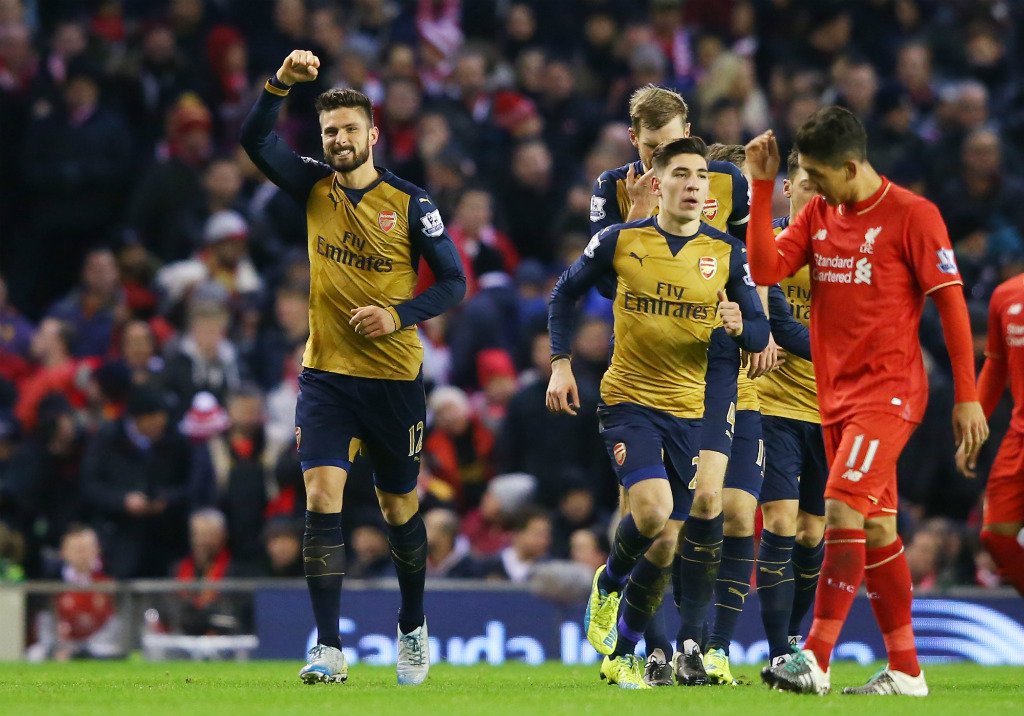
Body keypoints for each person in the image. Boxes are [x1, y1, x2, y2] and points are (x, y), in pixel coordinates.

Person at [240, 49, 466, 686]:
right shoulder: (314, 186)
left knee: (398, 506)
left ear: (373, 134)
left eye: (348, 129)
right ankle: (329, 649)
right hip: (327, 375)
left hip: (393, 380)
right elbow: (255, 139)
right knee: (320, 493)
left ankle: (412, 626)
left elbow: (453, 281)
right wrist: (280, 84)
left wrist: (397, 315)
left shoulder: (411, 202)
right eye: (328, 131)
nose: (338, 140)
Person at [745, 107, 988, 696]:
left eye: (818, 175)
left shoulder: (913, 215)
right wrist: (760, 186)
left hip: (889, 392)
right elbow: (765, 267)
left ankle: (815, 658)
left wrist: (968, 395)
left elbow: (952, 305)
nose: (810, 186)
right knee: (877, 530)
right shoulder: (820, 213)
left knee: (839, 508)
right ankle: (907, 670)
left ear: (851, 167)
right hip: (835, 397)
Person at [548, 136, 769, 689]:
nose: (693, 185)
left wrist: (743, 326)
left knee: (669, 540)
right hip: (629, 401)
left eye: (701, 176)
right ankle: (608, 584)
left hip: (692, 412)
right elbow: (564, 294)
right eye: (682, 175)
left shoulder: (727, 253)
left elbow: (759, 332)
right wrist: (560, 363)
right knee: (651, 513)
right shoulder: (620, 240)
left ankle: (630, 649)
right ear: (658, 182)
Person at [754, 149, 828, 667]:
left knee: (812, 532)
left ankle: (795, 636)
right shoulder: (771, 246)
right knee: (779, 522)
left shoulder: (848, 255)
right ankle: (779, 650)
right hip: (775, 404)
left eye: (823, 188)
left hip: (830, 410)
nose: (816, 196)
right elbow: (774, 321)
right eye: (806, 186)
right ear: (788, 188)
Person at [973, 272, 1024, 596]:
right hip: (1019, 435)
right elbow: (995, 363)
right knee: (995, 535)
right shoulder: (1006, 294)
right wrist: (974, 423)